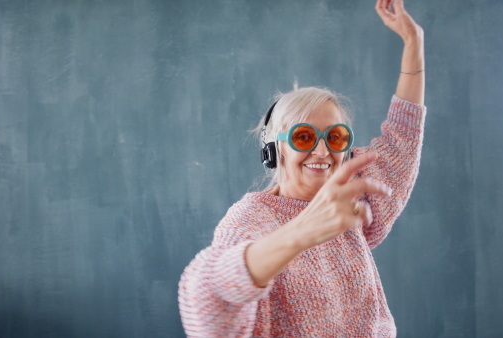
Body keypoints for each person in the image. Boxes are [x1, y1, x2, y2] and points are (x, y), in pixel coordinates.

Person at [178, 0, 425, 336]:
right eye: (304, 136)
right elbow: (208, 300)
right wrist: (301, 232)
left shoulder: (348, 205)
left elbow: (402, 138)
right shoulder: (251, 219)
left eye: (335, 137)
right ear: (274, 149)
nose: (322, 149)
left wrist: (414, 44)